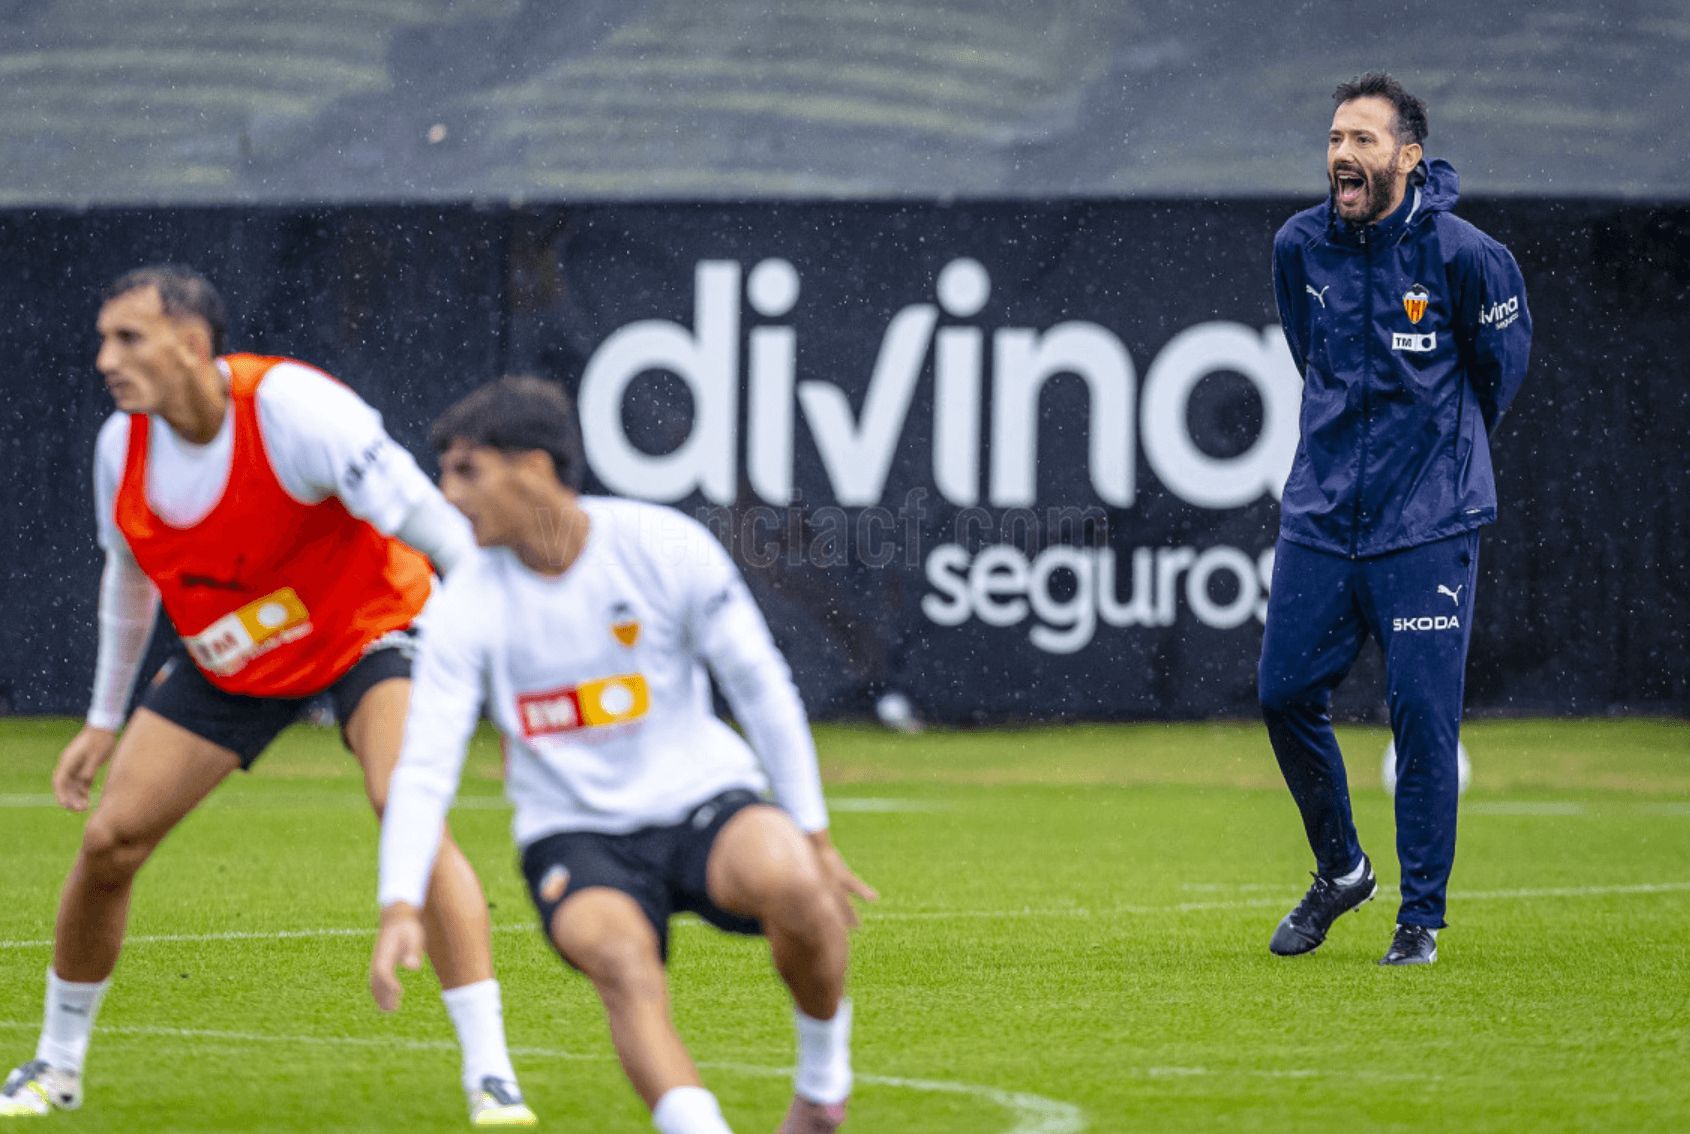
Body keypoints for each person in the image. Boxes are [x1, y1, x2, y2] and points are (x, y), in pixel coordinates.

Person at [0, 266, 537, 1126]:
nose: (105, 358)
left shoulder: (296, 410)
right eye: (102, 338)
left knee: (405, 806)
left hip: (372, 625)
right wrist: (103, 719)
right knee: (109, 842)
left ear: (192, 344)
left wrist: (512, 676)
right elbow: (131, 581)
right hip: (236, 656)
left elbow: (441, 533)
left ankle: (492, 1074)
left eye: (128, 338)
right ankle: (55, 1067)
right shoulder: (120, 445)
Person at [370, 376, 876, 1134]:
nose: (446, 495)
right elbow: (425, 764)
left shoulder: (662, 546)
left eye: (466, 471)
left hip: (702, 799)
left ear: (535, 467)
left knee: (798, 885)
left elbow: (760, 685)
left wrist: (814, 832)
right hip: (574, 835)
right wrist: (400, 903)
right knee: (619, 962)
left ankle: (820, 1089)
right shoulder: (467, 601)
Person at [1260, 73, 1532, 966]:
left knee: (1421, 717)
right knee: (1284, 694)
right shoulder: (1300, 246)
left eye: (1364, 140)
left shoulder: (1469, 257)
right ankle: (1341, 870)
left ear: (1408, 158)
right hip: (1322, 517)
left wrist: (1434, 463)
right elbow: (1314, 364)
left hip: (1428, 523)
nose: (1344, 153)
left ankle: (1420, 919)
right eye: (1336, 137)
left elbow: (1498, 374)